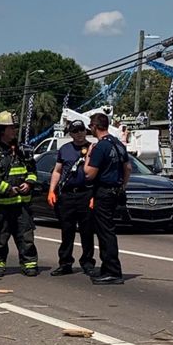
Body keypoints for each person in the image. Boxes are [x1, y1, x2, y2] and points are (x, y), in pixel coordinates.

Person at [0, 111, 39, 277]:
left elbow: (33, 170)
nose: (14, 131)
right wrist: (7, 189)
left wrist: (29, 183)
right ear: (1, 130)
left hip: (22, 206)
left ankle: (29, 263)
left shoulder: (23, 150)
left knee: (26, 236)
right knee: (0, 237)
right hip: (1, 205)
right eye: (11, 127)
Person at [83, 113, 131, 285]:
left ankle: (112, 271)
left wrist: (88, 155)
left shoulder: (101, 147)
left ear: (95, 127)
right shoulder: (118, 144)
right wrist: (122, 186)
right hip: (115, 191)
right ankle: (106, 267)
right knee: (107, 230)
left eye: (90, 127)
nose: (90, 130)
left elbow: (89, 174)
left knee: (105, 232)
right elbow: (128, 168)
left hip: (103, 192)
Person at [48, 120, 96, 276]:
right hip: (67, 195)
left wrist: (94, 195)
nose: (79, 133)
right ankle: (65, 263)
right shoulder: (64, 149)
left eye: (82, 130)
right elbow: (57, 171)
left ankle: (87, 263)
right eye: (75, 131)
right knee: (67, 231)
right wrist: (52, 191)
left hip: (86, 193)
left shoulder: (93, 148)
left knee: (87, 231)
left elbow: (98, 174)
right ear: (71, 134)